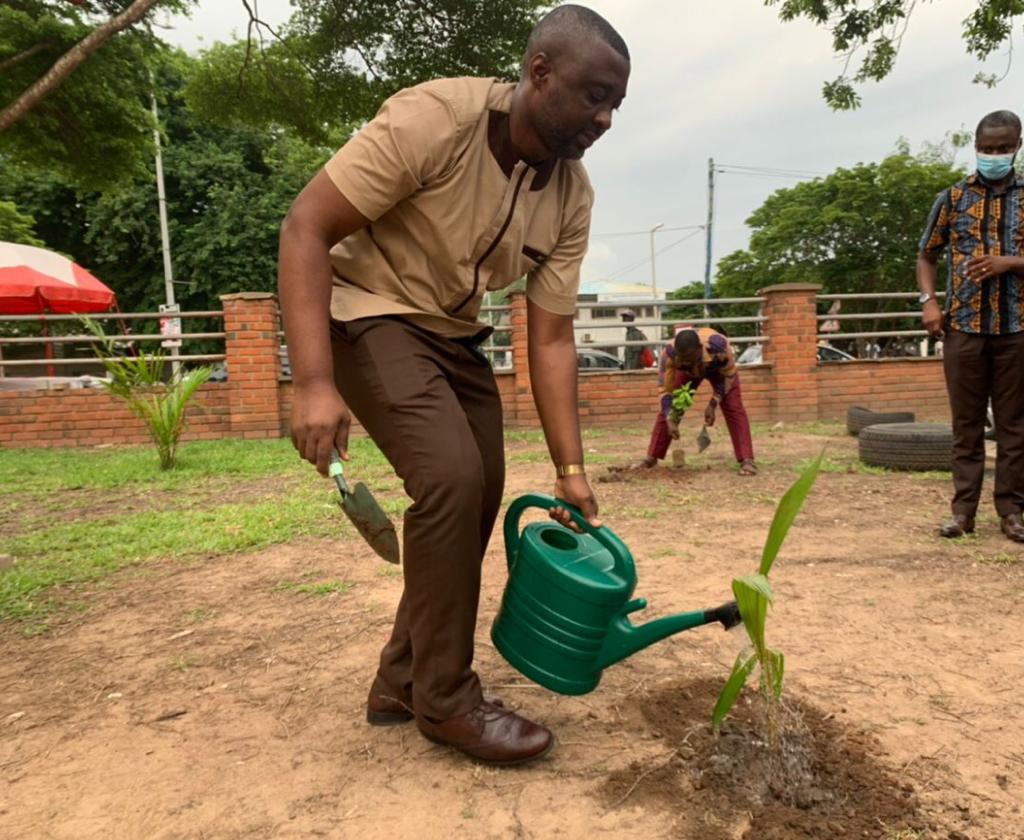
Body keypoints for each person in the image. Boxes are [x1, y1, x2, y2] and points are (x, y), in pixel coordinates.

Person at [276, 5, 630, 766]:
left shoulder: (572, 196)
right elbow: (305, 225)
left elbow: (554, 336)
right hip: (367, 313)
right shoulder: (435, 119)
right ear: (539, 74)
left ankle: (401, 679)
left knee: (478, 494)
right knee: (450, 479)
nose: (604, 119)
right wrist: (312, 382)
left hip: (454, 335)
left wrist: (571, 470)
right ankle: (445, 699)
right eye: (594, 96)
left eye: (615, 105)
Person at [917, 109, 1024, 543]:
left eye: (1003, 148)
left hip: (1017, 328)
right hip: (962, 327)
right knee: (966, 425)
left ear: (1016, 147)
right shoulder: (953, 198)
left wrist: (1010, 262)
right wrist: (929, 303)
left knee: (1015, 425)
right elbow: (927, 254)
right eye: (987, 148)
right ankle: (963, 512)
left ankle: (1012, 513)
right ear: (976, 146)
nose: (994, 155)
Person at [634, 328, 757, 475]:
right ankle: (651, 457)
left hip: (719, 372)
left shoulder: (719, 347)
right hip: (687, 374)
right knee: (673, 406)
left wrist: (713, 403)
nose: (687, 362)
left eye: (690, 358)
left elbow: (728, 377)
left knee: (733, 407)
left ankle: (747, 459)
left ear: (699, 349)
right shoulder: (669, 354)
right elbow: (665, 389)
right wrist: (669, 417)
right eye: (683, 359)